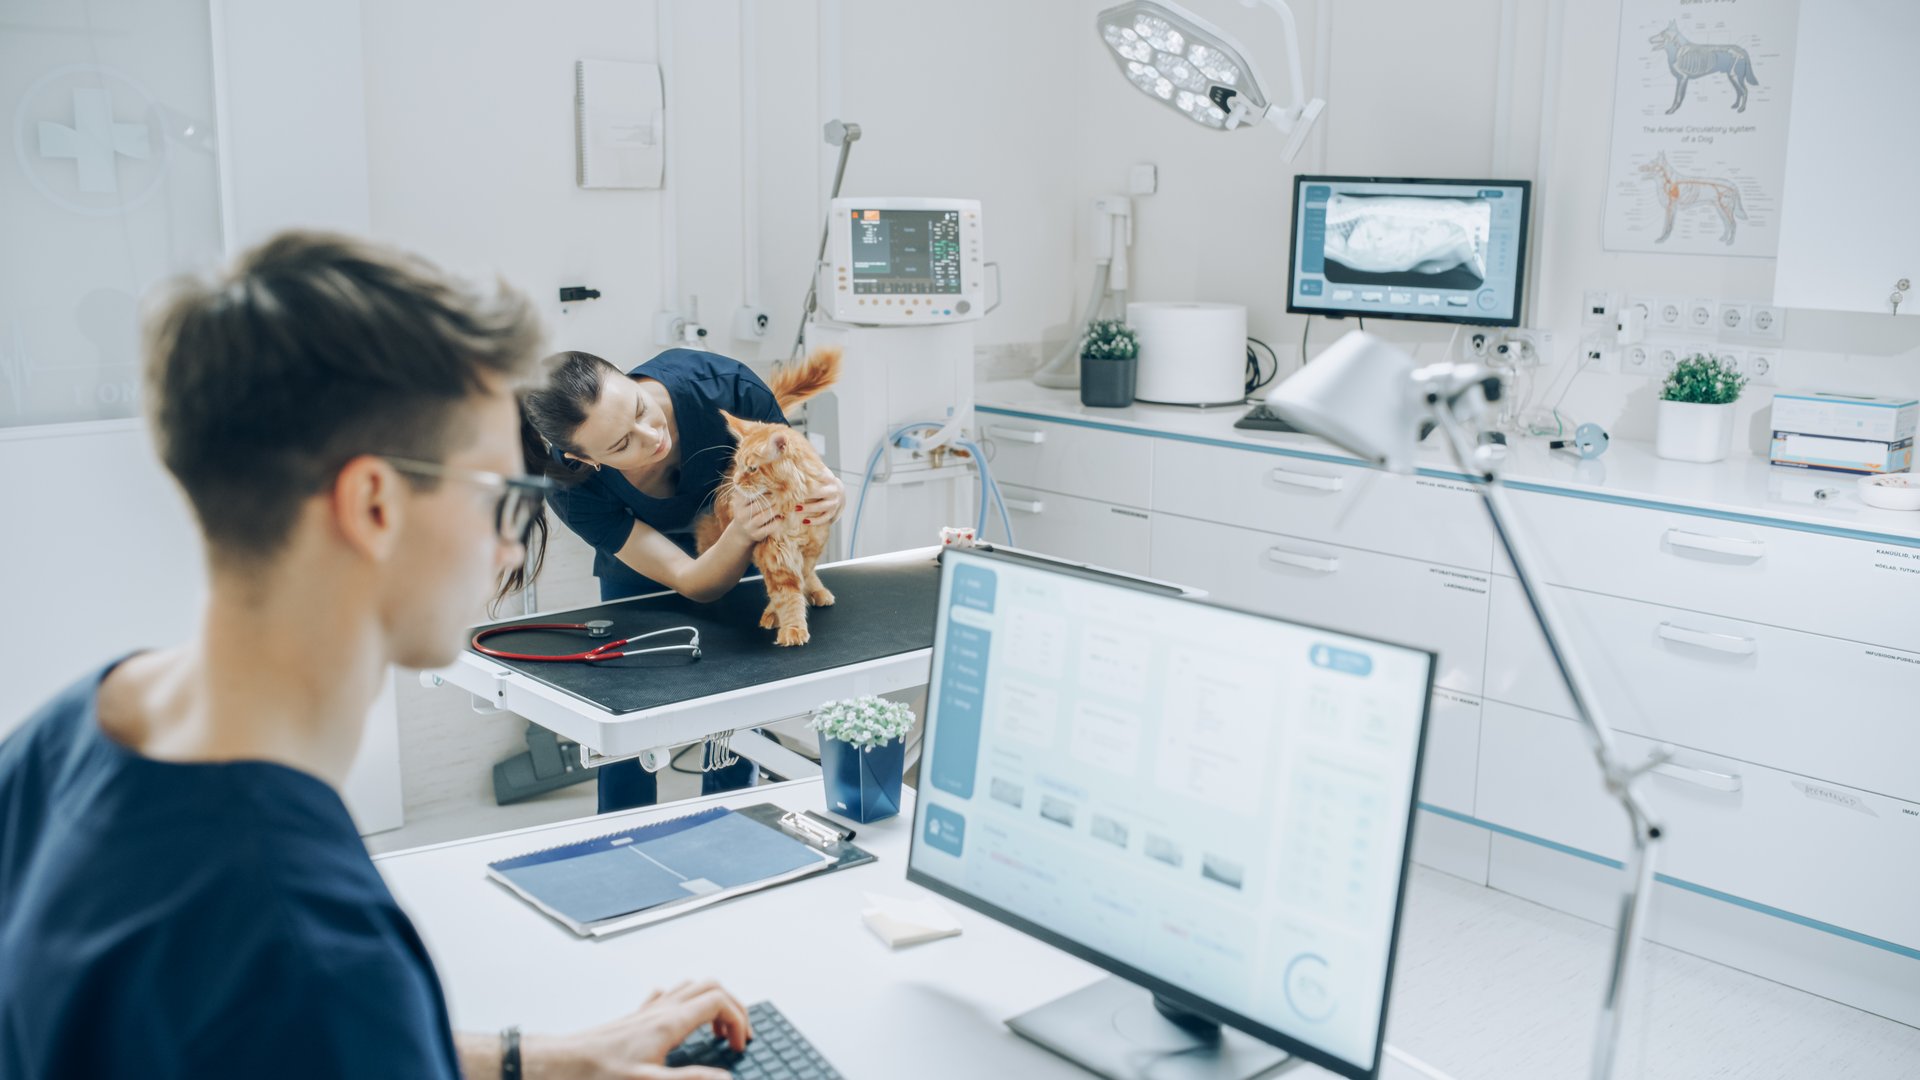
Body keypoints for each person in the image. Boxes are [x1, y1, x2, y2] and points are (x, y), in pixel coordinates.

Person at [0, 231, 752, 1079]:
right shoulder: (301, 939)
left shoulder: (66, 734)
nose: (508, 553)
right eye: (499, 496)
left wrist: (554, 1060)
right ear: (375, 505)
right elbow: (318, 1018)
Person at [511, 348, 843, 812]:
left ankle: (732, 818)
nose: (651, 437)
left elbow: (801, 477)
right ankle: (621, 833)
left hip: (747, 539)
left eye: (640, 410)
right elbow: (693, 581)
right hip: (639, 578)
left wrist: (829, 491)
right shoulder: (574, 487)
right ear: (586, 460)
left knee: (743, 701)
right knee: (627, 717)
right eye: (621, 444)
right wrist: (743, 529)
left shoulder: (724, 387)